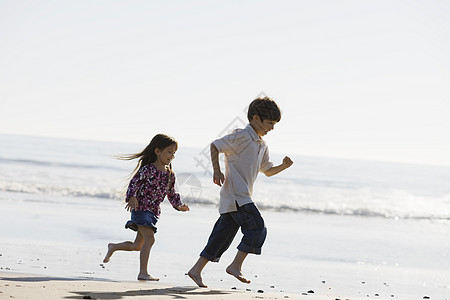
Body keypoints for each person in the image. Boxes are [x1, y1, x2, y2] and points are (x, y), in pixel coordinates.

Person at [188, 97, 293, 288]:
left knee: (221, 236)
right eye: (270, 123)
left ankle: (196, 270)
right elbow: (215, 145)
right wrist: (217, 170)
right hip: (238, 196)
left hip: (237, 197)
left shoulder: (262, 145)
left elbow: (267, 171)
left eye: (274, 124)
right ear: (255, 118)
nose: (272, 128)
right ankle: (235, 266)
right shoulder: (242, 136)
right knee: (257, 228)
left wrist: (283, 167)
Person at [103, 134, 190, 281]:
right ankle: (143, 273)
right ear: (157, 151)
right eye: (169, 151)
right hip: (141, 209)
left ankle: (113, 247)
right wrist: (131, 197)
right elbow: (134, 182)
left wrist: (178, 205)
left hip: (154, 212)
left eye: (174, 153)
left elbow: (171, 193)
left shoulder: (169, 174)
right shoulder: (148, 169)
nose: (172, 156)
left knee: (137, 246)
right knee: (150, 239)